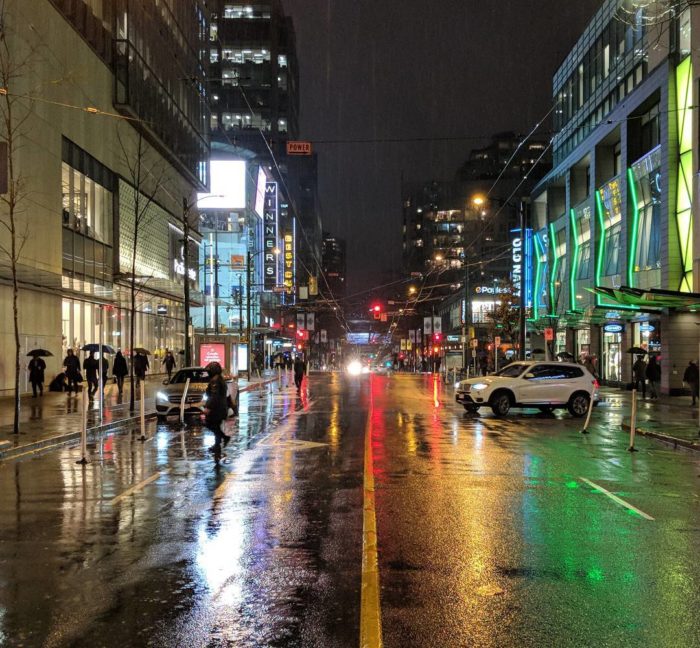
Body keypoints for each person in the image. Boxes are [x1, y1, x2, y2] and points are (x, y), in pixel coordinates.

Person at [204, 362, 229, 464]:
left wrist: (208, 407)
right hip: (221, 408)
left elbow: (214, 395)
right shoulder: (220, 379)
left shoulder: (215, 381)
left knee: (210, 424)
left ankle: (224, 438)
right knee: (216, 426)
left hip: (216, 409)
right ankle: (217, 448)